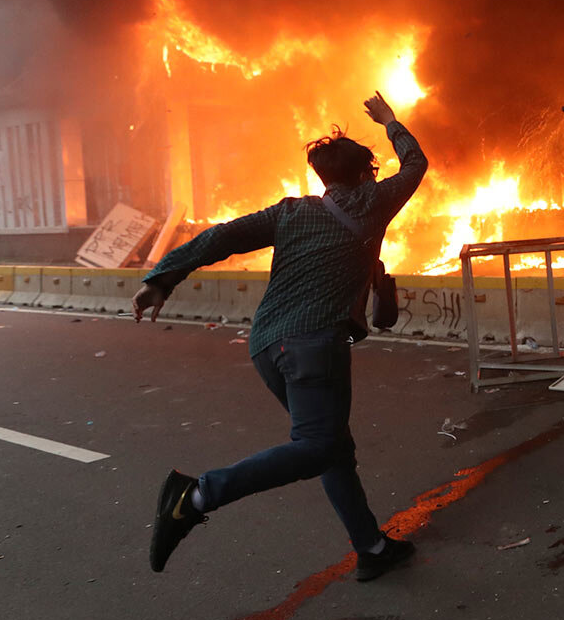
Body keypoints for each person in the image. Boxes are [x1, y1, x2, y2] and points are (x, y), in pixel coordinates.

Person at [132, 91, 428, 582]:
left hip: (268, 345)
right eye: (372, 172)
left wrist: (163, 277)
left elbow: (221, 236)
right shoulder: (374, 201)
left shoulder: (291, 212)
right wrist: (391, 121)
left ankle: (372, 548)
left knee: (333, 447)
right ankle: (197, 496)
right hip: (313, 346)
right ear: (364, 174)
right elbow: (415, 163)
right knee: (317, 446)